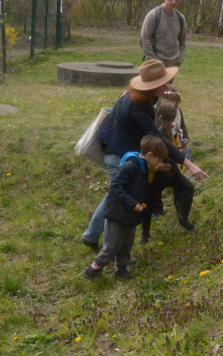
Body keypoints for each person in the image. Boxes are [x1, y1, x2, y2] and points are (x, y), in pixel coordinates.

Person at [81, 61, 208, 250]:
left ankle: (91, 236)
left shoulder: (133, 93)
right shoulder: (139, 108)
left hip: (113, 146)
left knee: (112, 195)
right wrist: (188, 164)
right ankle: (111, 250)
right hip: (118, 154)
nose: (166, 86)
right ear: (152, 86)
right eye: (163, 84)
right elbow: (160, 139)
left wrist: (165, 95)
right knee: (116, 200)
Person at [83, 135, 168, 280]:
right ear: (149, 155)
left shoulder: (145, 167)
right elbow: (116, 187)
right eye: (159, 160)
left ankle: (121, 269)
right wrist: (132, 203)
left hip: (131, 215)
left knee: (126, 244)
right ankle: (93, 269)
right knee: (112, 245)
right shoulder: (130, 166)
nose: (159, 163)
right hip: (117, 213)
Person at [139, 99, 197, 244]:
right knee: (148, 202)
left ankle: (183, 219)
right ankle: (144, 234)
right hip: (155, 174)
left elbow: (176, 145)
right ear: (159, 118)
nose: (169, 123)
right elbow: (144, 156)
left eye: (171, 120)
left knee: (187, 188)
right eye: (166, 120)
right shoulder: (150, 132)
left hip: (172, 169)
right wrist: (156, 167)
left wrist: (180, 151)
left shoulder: (171, 128)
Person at [140, 0, 187, 67]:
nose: (174, 2)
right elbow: (144, 39)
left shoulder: (180, 18)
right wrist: (154, 62)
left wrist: (180, 60)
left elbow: (183, 42)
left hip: (173, 67)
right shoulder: (153, 15)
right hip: (155, 67)